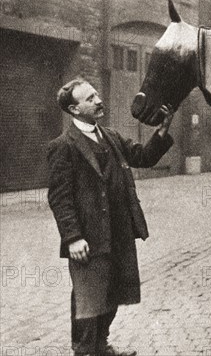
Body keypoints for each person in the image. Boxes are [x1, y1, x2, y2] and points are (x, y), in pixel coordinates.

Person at [47, 78, 174, 356]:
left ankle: (101, 346)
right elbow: (60, 198)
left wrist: (162, 131)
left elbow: (143, 157)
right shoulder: (63, 146)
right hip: (88, 239)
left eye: (96, 94)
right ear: (74, 109)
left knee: (113, 293)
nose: (98, 100)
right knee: (88, 300)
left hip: (118, 232)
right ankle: (84, 350)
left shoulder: (111, 137)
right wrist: (73, 238)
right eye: (90, 98)